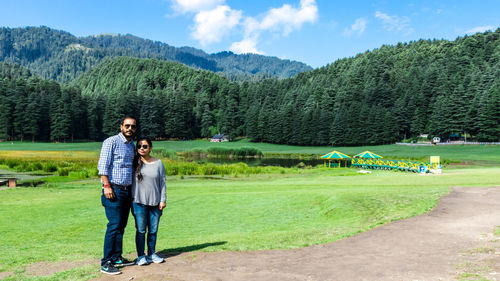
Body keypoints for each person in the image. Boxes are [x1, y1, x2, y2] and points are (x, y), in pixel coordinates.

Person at [97, 115, 137, 275]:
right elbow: (102, 166)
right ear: (121, 126)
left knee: (121, 225)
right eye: (127, 126)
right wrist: (106, 186)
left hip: (127, 191)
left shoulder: (131, 144)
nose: (130, 129)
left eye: (133, 126)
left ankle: (116, 257)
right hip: (113, 189)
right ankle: (106, 262)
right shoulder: (111, 142)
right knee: (113, 225)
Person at [131, 137, 167, 266]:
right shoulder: (133, 162)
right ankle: (141, 256)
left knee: (153, 230)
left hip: (156, 203)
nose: (142, 148)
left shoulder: (158, 163)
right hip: (138, 202)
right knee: (141, 230)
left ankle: (152, 254)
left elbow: (162, 182)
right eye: (139, 146)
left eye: (145, 146)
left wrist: (163, 200)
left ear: (150, 148)